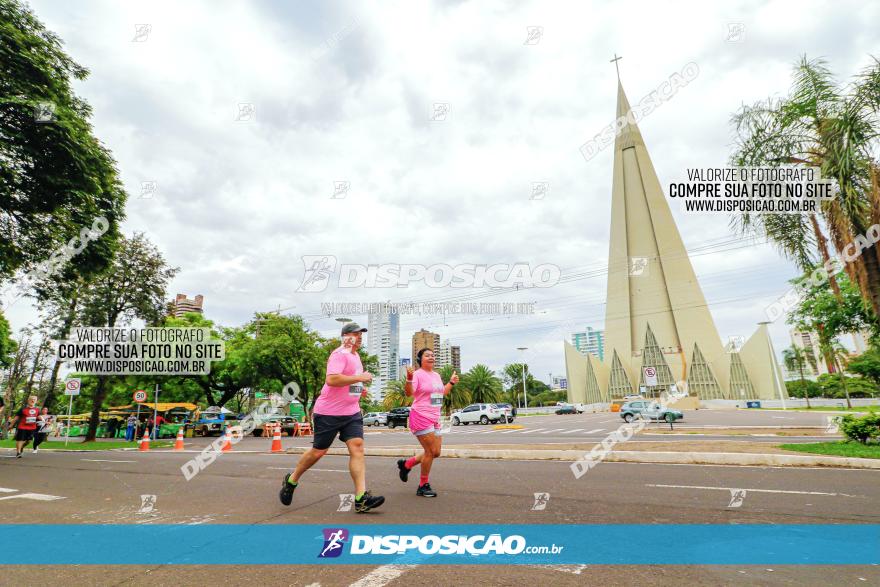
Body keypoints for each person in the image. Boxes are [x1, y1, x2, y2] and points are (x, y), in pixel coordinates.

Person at [279, 322, 384, 513]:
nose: (359, 337)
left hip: (351, 412)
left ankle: (361, 498)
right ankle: (292, 480)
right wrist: (360, 378)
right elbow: (332, 379)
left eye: (361, 334)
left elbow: (348, 380)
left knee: (357, 447)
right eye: (355, 334)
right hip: (328, 413)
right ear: (345, 337)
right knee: (318, 452)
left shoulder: (355, 355)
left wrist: (360, 389)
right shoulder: (339, 354)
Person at [396, 348, 458, 497]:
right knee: (430, 452)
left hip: (435, 417)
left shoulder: (436, 375)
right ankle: (423, 485)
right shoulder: (417, 374)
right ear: (420, 359)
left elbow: (441, 393)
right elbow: (409, 393)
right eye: (427, 355)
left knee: (436, 452)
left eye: (432, 355)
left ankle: (407, 464)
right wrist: (409, 378)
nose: (431, 357)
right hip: (421, 415)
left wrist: (451, 383)